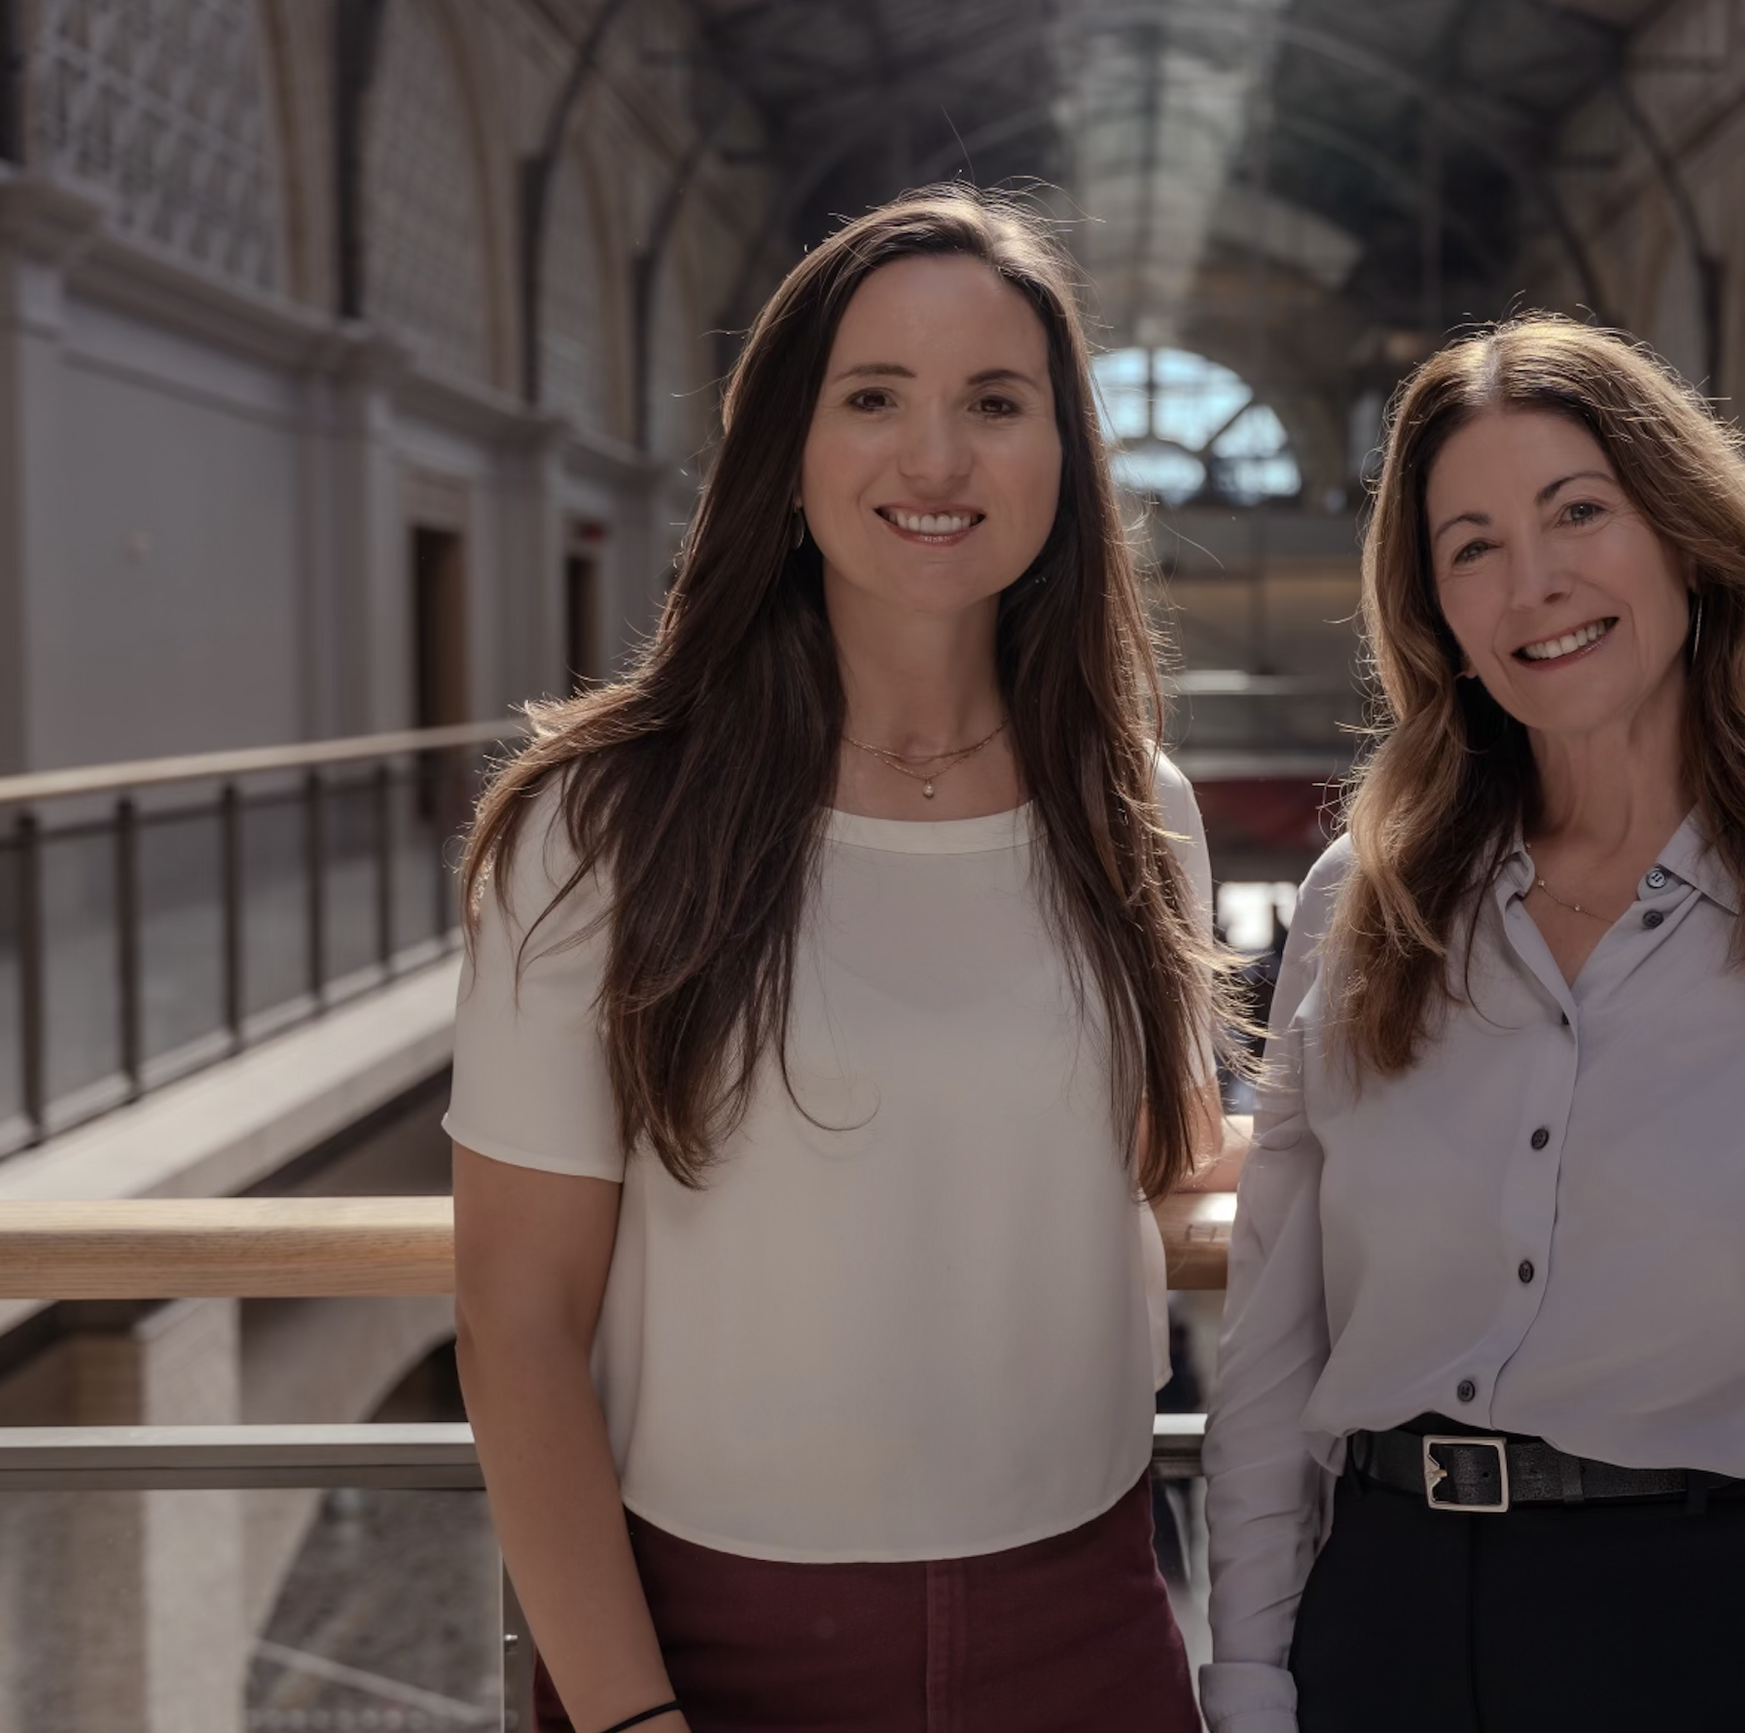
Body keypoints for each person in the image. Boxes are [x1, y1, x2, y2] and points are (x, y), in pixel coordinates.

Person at [1201, 316, 1745, 1733]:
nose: (1533, 582)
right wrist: (1248, 1678)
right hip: (1389, 1630)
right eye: (1470, 544)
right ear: (1436, 612)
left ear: (1685, 535)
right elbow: (1273, 1351)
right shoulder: (1362, 907)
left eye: (1577, 512)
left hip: (1736, 1638)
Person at [447, 188, 1233, 1733]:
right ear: (783, 459)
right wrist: (625, 1713)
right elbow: (517, 1320)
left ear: (1063, 463)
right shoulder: (601, 824)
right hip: (712, 1650)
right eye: (873, 398)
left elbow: (1155, 1164)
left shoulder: (1137, 810)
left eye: (995, 405)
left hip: (1089, 1628)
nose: (936, 458)